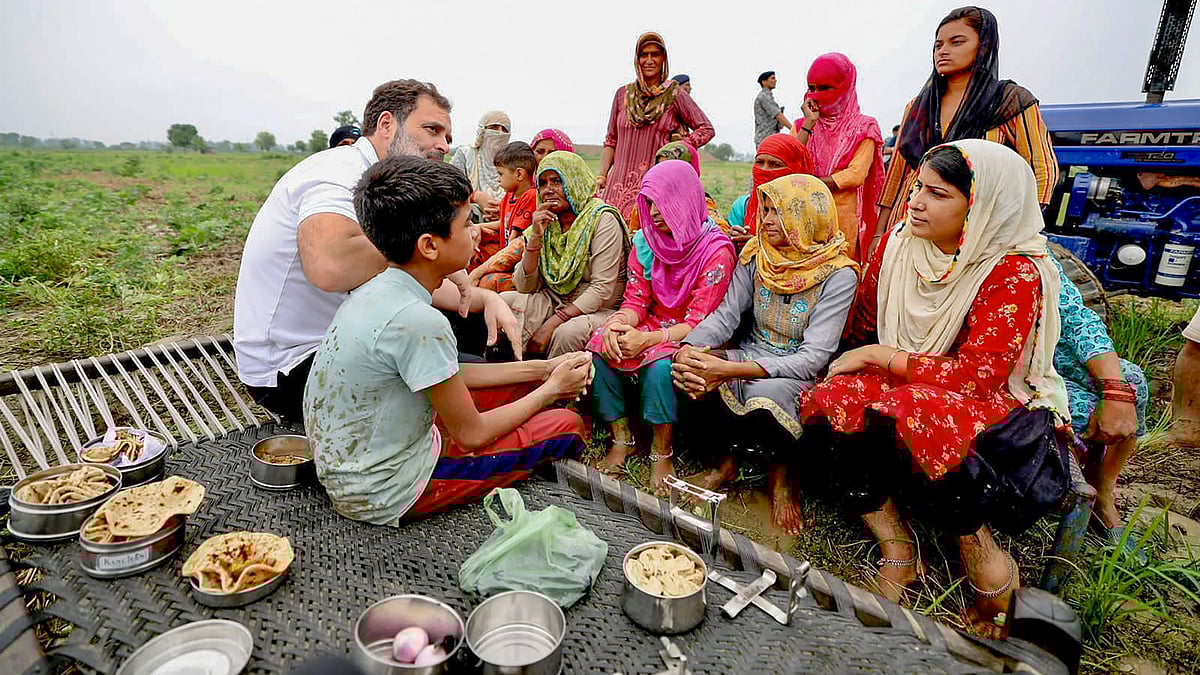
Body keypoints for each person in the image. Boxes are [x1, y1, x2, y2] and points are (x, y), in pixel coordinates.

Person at [801, 140, 1068, 638]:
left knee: (918, 412)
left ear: (982, 204)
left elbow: (977, 377)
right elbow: (862, 321)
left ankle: (984, 562)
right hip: (909, 379)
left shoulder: (1011, 270)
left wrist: (881, 357)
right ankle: (897, 545)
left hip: (989, 399)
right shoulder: (899, 243)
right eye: (918, 188)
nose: (917, 202)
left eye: (938, 194)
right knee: (831, 397)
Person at [304, 156, 590, 525]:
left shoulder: (375, 288)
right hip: (385, 490)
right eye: (467, 222)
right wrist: (551, 390)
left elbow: (448, 372)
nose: (475, 232)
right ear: (429, 246)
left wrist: (544, 369)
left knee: (522, 389)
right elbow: (472, 435)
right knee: (566, 424)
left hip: (355, 460)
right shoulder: (420, 321)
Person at [233, 79, 520, 423]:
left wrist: (486, 299)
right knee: (479, 385)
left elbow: (393, 269)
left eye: (447, 136)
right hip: (294, 366)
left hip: (349, 335)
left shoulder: (390, 186)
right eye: (432, 130)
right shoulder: (338, 173)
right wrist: (429, 252)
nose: (443, 145)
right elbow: (330, 266)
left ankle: (476, 405)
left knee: (475, 325)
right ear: (387, 125)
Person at [672, 174, 858, 534]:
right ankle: (724, 465)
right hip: (753, 351)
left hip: (797, 368)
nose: (768, 219)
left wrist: (727, 369)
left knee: (765, 394)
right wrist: (689, 349)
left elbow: (814, 356)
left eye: (779, 212)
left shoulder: (839, 274)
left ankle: (782, 481)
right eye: (767, 210)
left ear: (806, 217)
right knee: (692, 370)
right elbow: (725, 316)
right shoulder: (757, 256)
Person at [588, 160, 737, 494]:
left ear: (684, 199)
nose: (654, 212)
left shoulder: (715, 250)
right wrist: (618, 325)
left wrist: (649, 339)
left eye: (662, 201)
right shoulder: (645, 242)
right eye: (649, 203)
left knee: (659, 366)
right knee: (599, 345)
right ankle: (621, 437)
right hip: (651, 326)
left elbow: (701, 320)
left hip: (692, 333)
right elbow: (636, 301)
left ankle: (661, 450)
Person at [873, 6, 1058, 260]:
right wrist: (879, 233)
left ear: (984, 46)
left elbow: (1042, 168)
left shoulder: (1009, 102)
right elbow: (897, 174)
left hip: (977, 231)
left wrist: (1019, 229)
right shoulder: (918, 107)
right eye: (938, 45)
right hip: (909, 221)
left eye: (956, 42)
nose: (943, 51)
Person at [1051, 255, 1148, 545]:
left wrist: (1114, 389)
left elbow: (1077, 318)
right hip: (985, 367)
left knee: (1132, 382)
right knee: (1078, 409)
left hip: (1042, 355)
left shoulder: (1032, 251)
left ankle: (1103, 493)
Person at [503, 151, 630, 357]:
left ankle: (554, 385)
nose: (548, 190)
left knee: (567, 334)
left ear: (575, 181)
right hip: (555, 299)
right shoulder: (547, 223)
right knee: (503, 303)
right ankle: (512, 375)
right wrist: (535, 237)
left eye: (556, 181)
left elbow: (602, 289)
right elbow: (525, 286)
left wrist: (554, 322)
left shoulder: (602, 219)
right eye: (542, 183)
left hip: (598, 308)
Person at [599, 32, 715, 219]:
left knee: (645, 239)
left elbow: (706, 129)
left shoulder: (675, 94)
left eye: (655, 54)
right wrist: (602, 176)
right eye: (644, 55)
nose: (649, 60)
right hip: (616, 187)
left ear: (664, 59)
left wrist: (680, 146)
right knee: (611, 232)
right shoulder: (623, 95)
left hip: (655, 186)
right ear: (637, 60)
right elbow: (611, 140)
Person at [794, 53, 885, 261]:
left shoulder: (864, 127)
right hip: (802, 215)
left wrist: (808, 185)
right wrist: (809, 124)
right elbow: (789, 162)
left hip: (842, 219)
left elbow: (855, 174)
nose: (816, 95)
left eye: (825, 88)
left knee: (839, 276)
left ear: (846, 86)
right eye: (812, 88)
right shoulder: (802, 125)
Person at [469, 142, 538, 293]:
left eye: (500, 174)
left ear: (519, 174)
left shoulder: (530, 197)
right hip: (503, 254)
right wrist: (477, 227)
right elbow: (504, 224)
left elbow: (515, 239)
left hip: (517, 264)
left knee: (488, 282)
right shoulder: (509, 195)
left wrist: (488, 266)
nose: (498, 179)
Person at [625, 141, 730, 235]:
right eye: (659, 167)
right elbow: (633, 237)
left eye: (672, 168)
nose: (664, 174)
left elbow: (721, 233)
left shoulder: (699, 204)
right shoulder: (645, 203)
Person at [731, 134, 815, 247]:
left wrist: (762, 244)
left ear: (796, 168)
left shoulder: (811, 208)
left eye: (775, 164)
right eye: (760, 162)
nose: (764, 170)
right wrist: (733, 239)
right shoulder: (742, 206)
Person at [451, 111, 511, 221]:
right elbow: (449, 189)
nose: (500, 133)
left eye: (504, 129)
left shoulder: (512, 163)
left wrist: (503, 209)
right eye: (494, 128)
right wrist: (476, 196)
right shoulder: (466, 155)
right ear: (482, 130)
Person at [754, 71, 793, 147]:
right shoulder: (764, 97)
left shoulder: (768, 97)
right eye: (772, 78)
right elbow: (778, 115)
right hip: (765, 138)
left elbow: (779, 123)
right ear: (764, 82)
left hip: (770, 138)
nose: (775, 80)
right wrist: (793, 129)